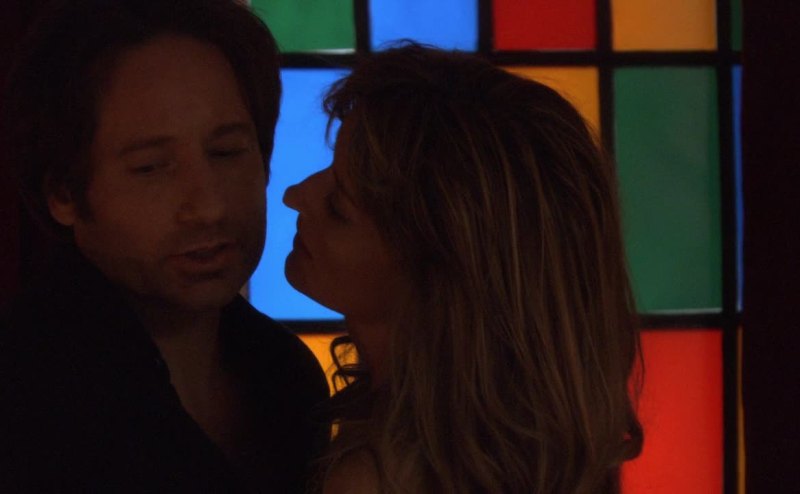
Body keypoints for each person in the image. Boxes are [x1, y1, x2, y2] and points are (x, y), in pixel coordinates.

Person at [283, 44, 644, 494]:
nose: (295, 195)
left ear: (437, 281)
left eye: (339, 207)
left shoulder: (376, 481)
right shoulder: (549, 460)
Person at [0, 0, 329, 492]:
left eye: (226, 152)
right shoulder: (24, 395)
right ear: (64, 193)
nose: (209, 206)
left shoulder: (287, 375)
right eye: (151, 168)